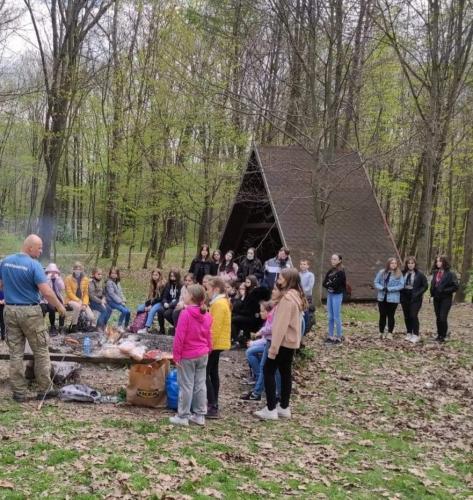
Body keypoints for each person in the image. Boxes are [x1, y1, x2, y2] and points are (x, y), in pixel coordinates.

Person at [0, 235, 66, 402]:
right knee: (41, 351)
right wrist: (60, 307)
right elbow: (47, 292)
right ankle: (45, 389)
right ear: (30, 248)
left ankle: (19, 392)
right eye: (39, 247)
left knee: (15, 353)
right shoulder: (34, 265)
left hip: (10, 310)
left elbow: (0, 284)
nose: (41, 250)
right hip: (30, 313)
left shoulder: (5, 261)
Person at [255, 268, 306, 420]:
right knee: (285, 373)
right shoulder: (295, 296)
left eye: (282, 277)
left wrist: (273, 349)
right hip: (291, 343)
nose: (279, 279)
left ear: (289, 280)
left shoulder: (287, 300)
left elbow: (279, 327)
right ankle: (284, 406)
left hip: (282, 343)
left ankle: (271, 408)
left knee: (268, 370)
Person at [169, 284, 212, 426]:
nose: (184, 296)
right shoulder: (206, 314)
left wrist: (176, 356)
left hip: (188, 354)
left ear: (192, 297)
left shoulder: (186, 314)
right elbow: (208, 334)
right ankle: (200, 415)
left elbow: (179, 337)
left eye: (186, 294)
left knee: (186, 385)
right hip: (203, 353)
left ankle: (183, 416)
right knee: (200, 384)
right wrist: (208, 348)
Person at [241, 300, 281, 401]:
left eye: (262, 311)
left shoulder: (273, 316)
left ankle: (259, 389)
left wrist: (255, 340)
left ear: (268, 311)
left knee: (267, 367)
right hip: (270, 342)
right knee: (270, 368)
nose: (260, 313)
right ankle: (260, 390)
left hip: (272, 343)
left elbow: (268, 332)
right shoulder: (269, 319)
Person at [206, 277, 231, 419]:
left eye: (208, 289)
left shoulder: (219, 304)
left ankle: (213, 405)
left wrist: (209, 346)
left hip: (215, 344)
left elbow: (214, 328)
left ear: (215, 289)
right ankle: (214, 402)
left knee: (205, 374)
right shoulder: (219, 302)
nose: (207, 292)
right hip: (216, 344)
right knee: (213, 372)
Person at [231, 275, 269, 346]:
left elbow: (251, 309)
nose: (246, 284)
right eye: (246, 282)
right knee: (234, 319)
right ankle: (239, 340)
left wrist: (240, 312)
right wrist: (243, 296)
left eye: (248, 282)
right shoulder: (248, 292)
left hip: (254, 317)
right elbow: (243, 305)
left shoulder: (256, 292)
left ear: (253, 282)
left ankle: (237, 340)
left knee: (234, 319)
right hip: (247, 315)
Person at [374, 258, 405, 340]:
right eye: (392, 263)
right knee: (382, 315)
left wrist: (390, 289)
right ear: (388, 264)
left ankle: (390, 333)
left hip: (393, 298)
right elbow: (376, 282)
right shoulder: (382, 272)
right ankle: (381, 332)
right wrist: (382, 288)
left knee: (391, 315)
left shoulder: (399, 274)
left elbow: (401, 285)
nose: (394, 265)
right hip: (382, 297)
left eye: (395, 263)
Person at [430, 255, 459, 343]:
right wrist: (432, 295)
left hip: (446, 298)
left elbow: (455, 286)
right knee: (438, 317)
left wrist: (444, 290)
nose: (437, 263)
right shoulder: (435, 272)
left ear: (444, 262)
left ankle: (443, 335)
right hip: (436, 298)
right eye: (437, 261)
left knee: (443, 317)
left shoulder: (450, 273)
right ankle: (439, 335)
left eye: (440, 261)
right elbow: (433, 285)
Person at [400, 257, 428, 343]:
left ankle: (416, 334)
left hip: (415, 297)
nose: (410, 265)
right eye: (409, 263)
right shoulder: (403, 273)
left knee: (413, 315)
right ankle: (409, 332)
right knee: (407, 316)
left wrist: (418, 293)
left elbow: (425, 286)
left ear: (415, 264)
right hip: (405, 296)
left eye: (412, 263)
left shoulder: (420, 274)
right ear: (406, 264)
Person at [322, 254, 346, 344]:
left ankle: (339, 336)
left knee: (336, 316)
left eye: (335, 259)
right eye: (332, 259)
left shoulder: (341, 271)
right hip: (330, 295)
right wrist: (330, 284)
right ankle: (330, 336)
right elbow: (324, 283)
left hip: (337, 295)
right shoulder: (330, 271)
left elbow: (337, 284)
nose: (333, 260)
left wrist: (330, 284)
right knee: (330, 316)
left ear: (339, 260)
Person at [64, 262, 95, 332]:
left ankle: (86, 326)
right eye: (76, 269)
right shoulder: (68, 278)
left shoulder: (86, 279)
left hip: (82, 301)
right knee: (78, 307)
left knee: (91, 316)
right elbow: (69, 293)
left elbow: (86, 294)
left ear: (82, 270)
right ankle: (73, 326)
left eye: (79, 269)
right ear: (73, 270)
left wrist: (84, 304)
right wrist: (78, 300)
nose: (78, 270)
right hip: (70, 300)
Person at [137, 269, 166, 334]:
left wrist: (151, 305)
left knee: (152, 310)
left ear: (160, 275)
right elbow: (150, 297)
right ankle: (138, 324)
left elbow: (160, 298)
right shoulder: (152, 283)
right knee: (140, 308)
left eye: (156, 275)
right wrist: (147, 305)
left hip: (160, 302)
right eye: (153, 275)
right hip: (152, 301)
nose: (154, 276)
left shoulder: (162, 284)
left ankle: (146, 328)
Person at [40, 263, 65, 335]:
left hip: (57, 297)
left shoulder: (58, 278)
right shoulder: (45, 278)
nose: (53, 273)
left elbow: (62, 287)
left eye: (54, 271)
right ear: (47, 272)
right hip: (48, 298)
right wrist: (48, 277)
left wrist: (58, 278)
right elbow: (45, 289)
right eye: (51, 271)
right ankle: (52, 326)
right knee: (51, 308)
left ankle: (61, 326)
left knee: (62, 307)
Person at [105, 267, 130, 332]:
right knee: (124, 311)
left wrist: (124, 299)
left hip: (117, 301)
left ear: (118, 274)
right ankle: (119, 325)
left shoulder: (117, 282)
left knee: (128, 311)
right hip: (110, 301)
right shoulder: (109, 282)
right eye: (112, 273)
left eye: (115, 273)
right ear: (110, 274)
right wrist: (120, 301)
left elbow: (120, 292)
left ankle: (126, 326)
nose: (113, 274)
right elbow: (112, 294)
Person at [160, 268, 182, 333]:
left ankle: (178, 328)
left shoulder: (181, 285)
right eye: (171, 276)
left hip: (175, 305)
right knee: (160, 310)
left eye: (174, 276)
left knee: (167, 314)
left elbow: (179, 298)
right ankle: (162, 329)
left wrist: (170, 305)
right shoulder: (168, 284)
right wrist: (165, 303)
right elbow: (164, 296)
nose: (172, 278)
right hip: (168, 304)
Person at [88, 267, 109, 332]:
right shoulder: (91, 282)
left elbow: (103, 292)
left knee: (109, 309)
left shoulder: (101, 281)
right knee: (104, 310)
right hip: (92, 301)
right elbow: (91, 296)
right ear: (94, 274)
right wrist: (100, 302)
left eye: (101, 274)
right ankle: (98, 326)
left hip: (100, 300)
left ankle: (104, 325)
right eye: (98, 274)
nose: (100, 276)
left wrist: (103, 298)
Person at [299, 259, 315, 334]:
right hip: (298, 296)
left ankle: (306, 329)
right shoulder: (298, 274)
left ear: (308, 266)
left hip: (306, 297)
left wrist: (302, 292)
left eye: (304, 264)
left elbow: (309, 287)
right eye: (301, 264)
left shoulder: (310, 275)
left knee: (306, 313)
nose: (303, 265)